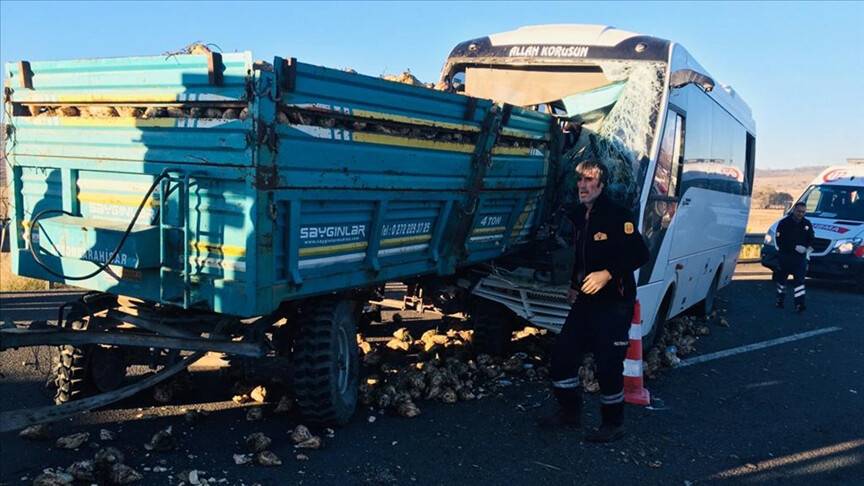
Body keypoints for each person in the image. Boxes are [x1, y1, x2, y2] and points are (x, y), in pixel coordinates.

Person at [538, 159, 649, 443]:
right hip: (585, 301)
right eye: (580, 181)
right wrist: (576, 285)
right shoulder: (578, 216)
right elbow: (581, 257)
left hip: (615, 303)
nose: (582, 186)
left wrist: (607, 274)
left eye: (588, 181)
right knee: (562, 355)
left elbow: (639, 254)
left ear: (601, 184)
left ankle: (613, 424)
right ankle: (569, 412)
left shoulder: (617, 215)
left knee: (608, 365)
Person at [773, 202, 814, 312]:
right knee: (782, 280)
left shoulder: (807, 224)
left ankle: (799, 304)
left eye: (803, 212)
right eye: (799, 211)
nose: (800, 214)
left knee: (799, 282)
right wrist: (794, 247)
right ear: (794, 210)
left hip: (800, 259)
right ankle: (779, 300)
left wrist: (807, 248)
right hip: (785, 256)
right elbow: (779, 240)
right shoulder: (784, 223)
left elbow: (811, 238)